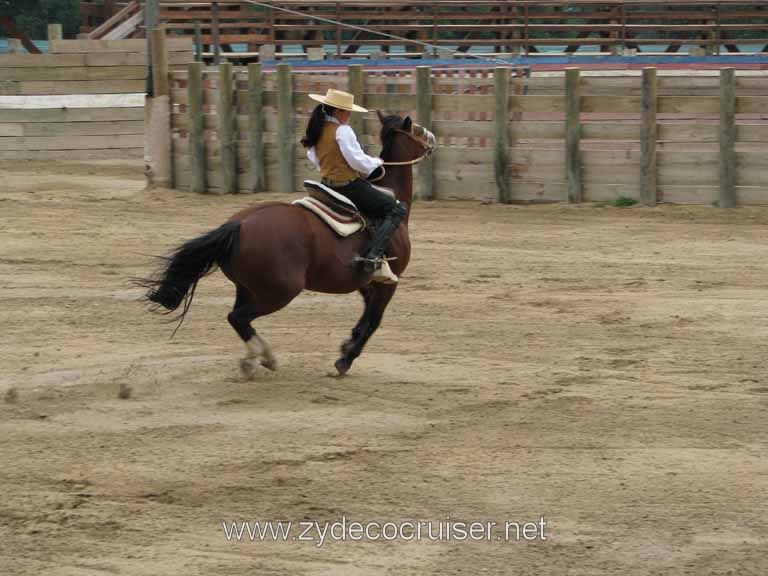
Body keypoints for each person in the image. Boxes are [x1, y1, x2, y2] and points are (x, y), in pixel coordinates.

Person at [301, 88, 408, 285]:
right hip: (348, 186)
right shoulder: (343, 131)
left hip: (326, 186)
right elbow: (357, 162)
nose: (349, 115)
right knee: (397, 209)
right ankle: (373, 256)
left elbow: (314, 158)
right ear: (338, 112)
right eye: (347, 111)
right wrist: (376, 162)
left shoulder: (317, 129)